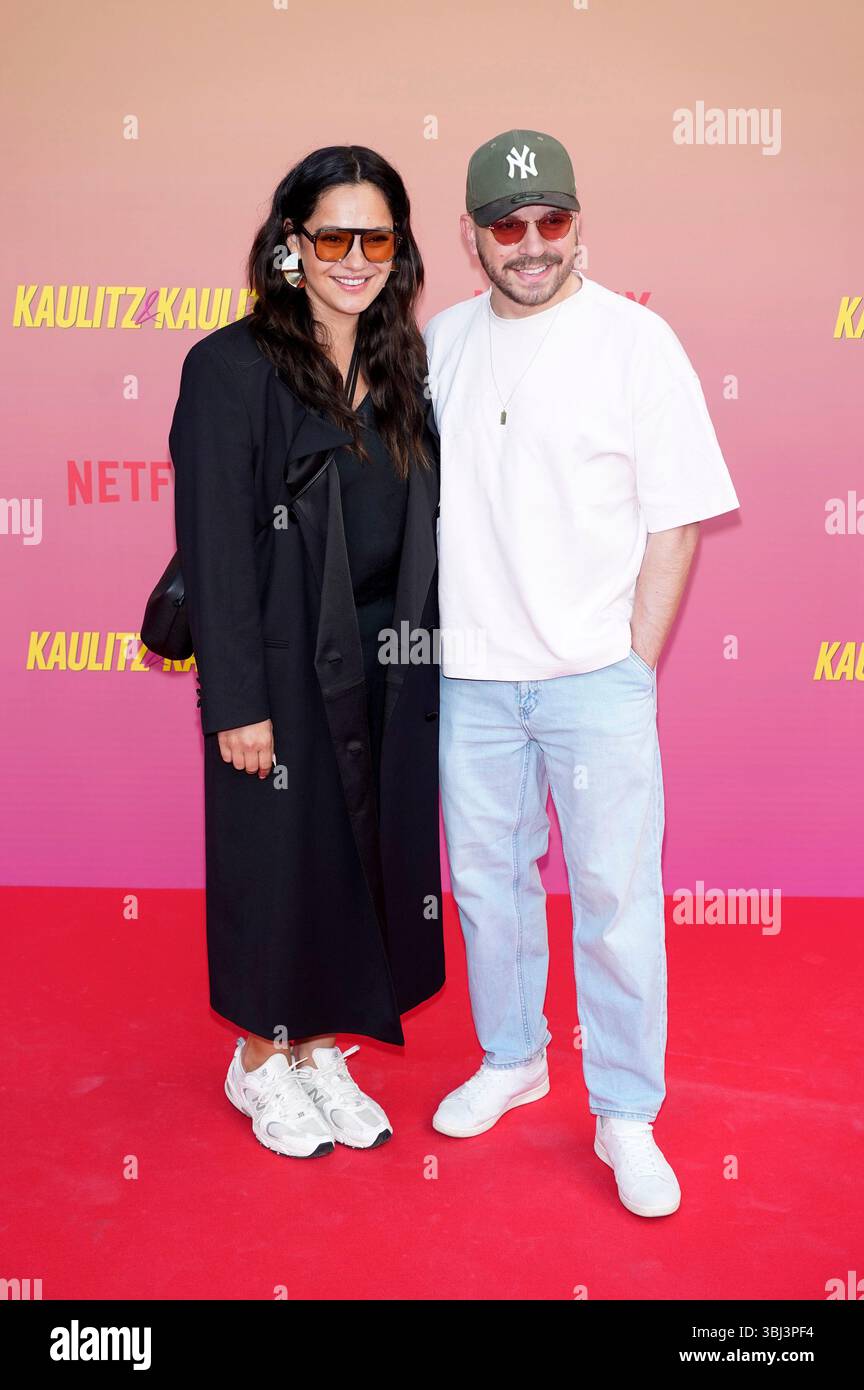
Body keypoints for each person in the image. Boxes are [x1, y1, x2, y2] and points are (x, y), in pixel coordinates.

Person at [423, 129, 740, 1216]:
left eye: (550, 222)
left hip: (595, 679)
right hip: (467, 678)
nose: (531, 245)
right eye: (506, 227)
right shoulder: (439, 342)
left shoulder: (636, 343)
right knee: (485, 887)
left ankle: (624, 1110)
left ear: (577, 225)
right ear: (471, 238)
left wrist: (628, 666)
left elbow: (679, 519)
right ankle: (512, 1057)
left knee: (612, 897)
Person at [169, 146, 443, 1159]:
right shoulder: (230, 367)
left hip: (384, 658)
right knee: (277, 861)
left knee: (356, 860)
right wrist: (234, 699)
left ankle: (319, 1045)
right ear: (292, 245)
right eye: (334, 236)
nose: (356, 257)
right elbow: (213, 546)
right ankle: (257, 1061)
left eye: (378, 237)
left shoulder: (403, 364)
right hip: (278, 660)